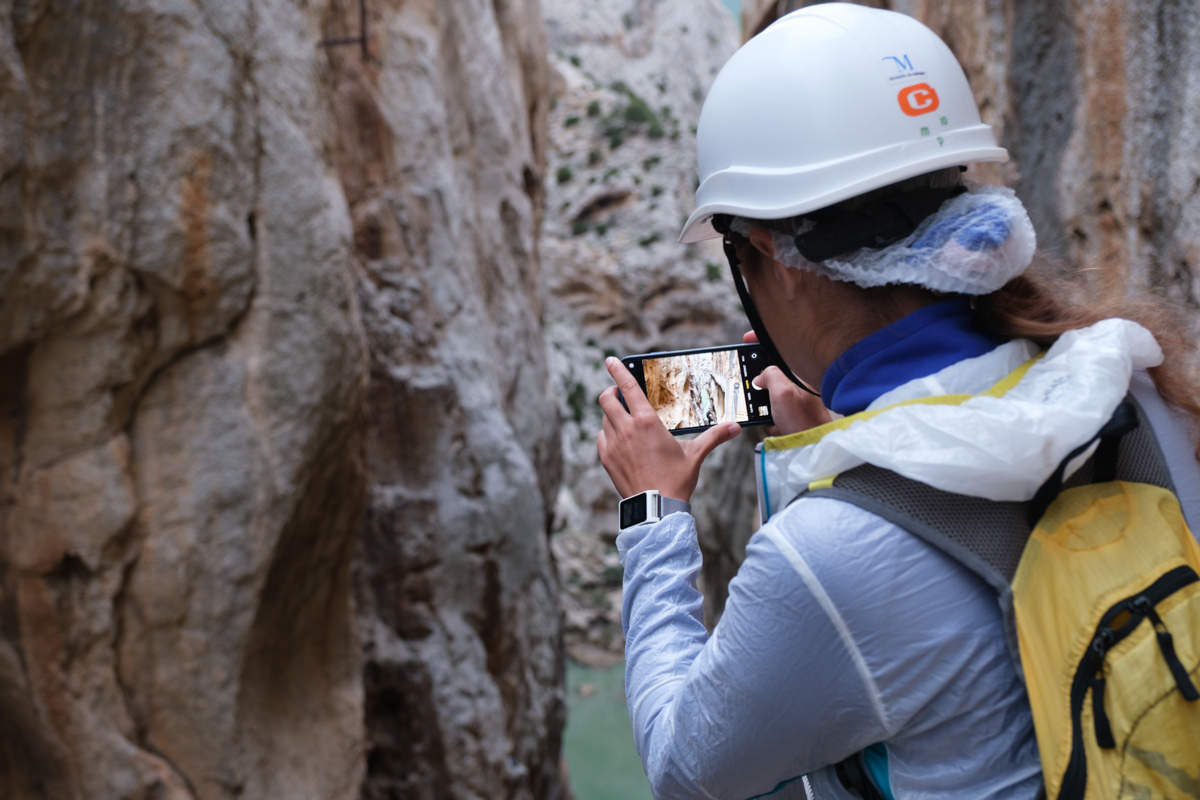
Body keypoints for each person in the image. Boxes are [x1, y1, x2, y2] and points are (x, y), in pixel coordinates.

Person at [595, 4, 1200, 799]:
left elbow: (685, 766)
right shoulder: (1135, 385)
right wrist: (842, 451)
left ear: (777, 259)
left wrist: (652, 511)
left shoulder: (828, 552)